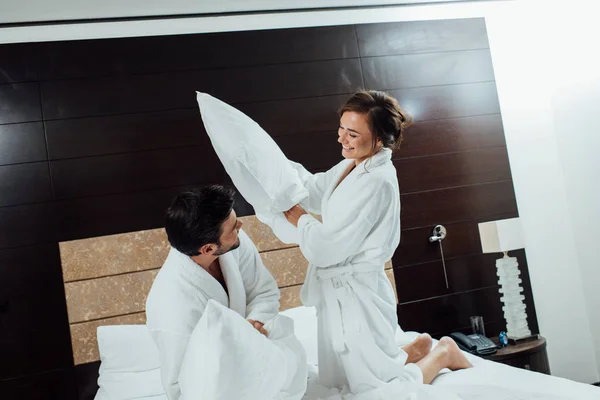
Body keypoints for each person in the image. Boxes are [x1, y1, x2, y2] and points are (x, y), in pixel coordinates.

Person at [283, 90, 472, 395]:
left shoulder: (377, 181)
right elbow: (315, 189)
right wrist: (275, 170)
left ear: (380, 139)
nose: (342, 139)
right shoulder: (352, 164)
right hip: (342, 294)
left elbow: (328, 248)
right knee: (345, 379)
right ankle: (415, 348)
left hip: (359, 294)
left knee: (375, 391)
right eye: (342, 129)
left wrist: (301, 220)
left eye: (353, 134)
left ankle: (442, 353)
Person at [146, 185, 281, 400]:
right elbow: (180, 385)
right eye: (234, 227)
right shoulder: (172, 304)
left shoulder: (234, 243)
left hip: (251, 358)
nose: (241, 226)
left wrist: (254, 322)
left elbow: (263, 291)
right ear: (208, 249)